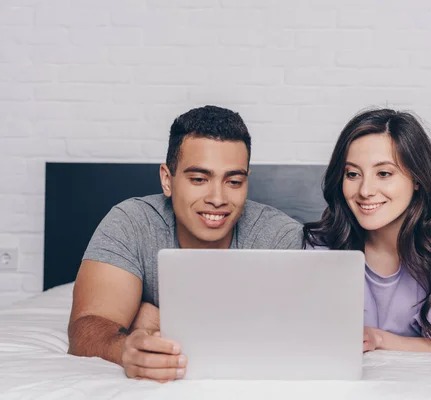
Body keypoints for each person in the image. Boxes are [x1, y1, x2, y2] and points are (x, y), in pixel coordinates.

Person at [68, 105, 304, 382]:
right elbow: (88, 326)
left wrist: (152, 319)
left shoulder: (280, 236)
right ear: (168, 180)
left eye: (234, 181)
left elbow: (296, 334)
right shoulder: (130, 223)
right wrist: (124, 348)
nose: (217, 198)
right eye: (199, 179)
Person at [303, 108, 431, 354]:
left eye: (384, 173)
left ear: (417, 179)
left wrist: (378, 339)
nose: (365, 190)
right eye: (353, 174)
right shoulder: (321, 244)